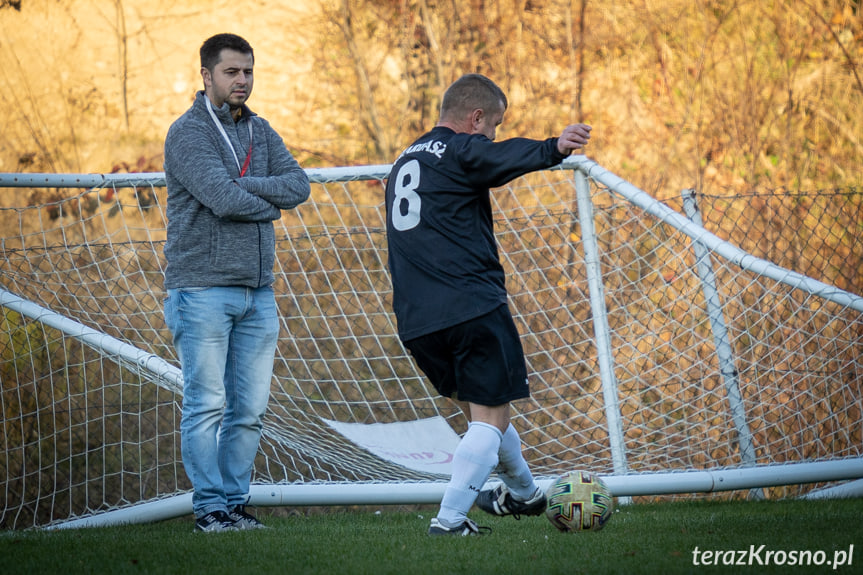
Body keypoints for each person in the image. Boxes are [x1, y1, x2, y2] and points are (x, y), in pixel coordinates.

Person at [384, 74, 591, 536]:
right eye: (493, 124)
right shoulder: (460, 149)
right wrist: (553, 147)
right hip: (471, 306)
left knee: (483, 414)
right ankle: (450, 519)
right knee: (491, 418)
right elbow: (496, 156)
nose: (494, 133)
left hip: (417, 320)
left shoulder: (404, 161)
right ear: (475, 119)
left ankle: (524, 494)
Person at [162, 33, 310, 532]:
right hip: (201, 290)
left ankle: (234, 504)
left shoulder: (261, 130)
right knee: (207, 405)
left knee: (249, 410)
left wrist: (242, 187)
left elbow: (299, 186)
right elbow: (221, 200)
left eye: (247, 70)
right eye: (231, 72)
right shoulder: (187, 133)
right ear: (206, 76)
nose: (242, 80)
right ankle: (209, 510)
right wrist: (263, 202)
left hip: (258, 291)